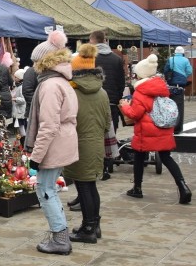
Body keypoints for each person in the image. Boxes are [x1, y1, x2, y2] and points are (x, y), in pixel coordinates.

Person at [25, 29, 78, 255]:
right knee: (49, 188)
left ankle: (60, 237)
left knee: (45, 190)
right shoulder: (62, 81)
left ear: (43, 63)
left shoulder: (49, 85)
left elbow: (48, 126)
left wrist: (35, 158)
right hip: (63, 141)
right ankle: (60, 235)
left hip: (54, 144)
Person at [120, 54, 191, 205]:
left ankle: (137, 188)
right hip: (162, 127)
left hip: (146, 130)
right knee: (166, 157)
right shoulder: (160, 87)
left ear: (141, 75)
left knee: (139, 156)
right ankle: (183, 186)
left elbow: (135, 114)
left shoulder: (141, 92)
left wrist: (125, 106)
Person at [63, 44, 111, 244]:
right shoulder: (102, 93)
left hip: (79, 143)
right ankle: (93, 225)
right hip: (96, 144)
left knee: (84, 188)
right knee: (90, 186)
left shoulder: (73, 93)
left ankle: (88, 229)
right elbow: (108, 123)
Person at [89, 30, 126, 168]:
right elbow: (121, 82)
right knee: (111, 131)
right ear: (104, 40)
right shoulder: (116, 59)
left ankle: (98, 163)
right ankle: (109, 162)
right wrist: (117, 98)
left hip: (94, 100)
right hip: (111, 102)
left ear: (92, 40)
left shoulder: (89, 58)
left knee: (95, 132)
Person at [163, 46, 192, 134]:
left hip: (171, 85)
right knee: (179, 107)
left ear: (175, 52)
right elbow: (189, 71)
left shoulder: (171, 59)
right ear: (182, 52)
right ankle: (178, 128)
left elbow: (165, 70)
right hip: (180, 87)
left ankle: (170, 126)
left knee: (169, 107)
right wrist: (183, 76)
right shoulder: (186, 60)